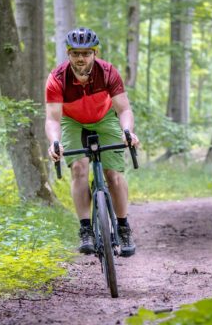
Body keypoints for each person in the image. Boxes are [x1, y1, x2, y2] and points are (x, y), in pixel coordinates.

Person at [45, 27, 140, 257]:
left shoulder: (107, 72)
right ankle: (85, 229)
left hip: (104, 117)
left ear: (94, 53)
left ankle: (123, 226)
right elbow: (52, 118)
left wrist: (127, 131)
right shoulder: (57, 78)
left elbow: (124, 108)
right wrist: (55, 142)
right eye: (76, 53)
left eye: (86, 53)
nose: (81, 58)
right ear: (68, 54)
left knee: (113, 175)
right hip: (72, 121)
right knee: (79, 168)